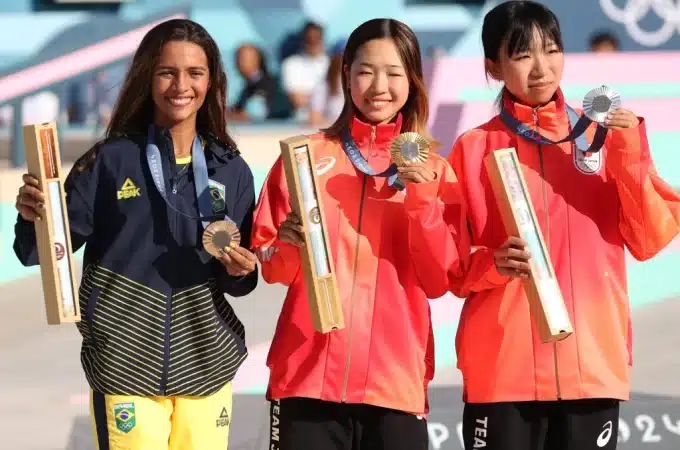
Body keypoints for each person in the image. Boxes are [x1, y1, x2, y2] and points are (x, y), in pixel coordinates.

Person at [13, 19, 258, 450]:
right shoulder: (110, 161)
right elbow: (41, 251)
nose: (180, 85)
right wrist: (34, 214)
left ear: (212, 81)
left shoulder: (229, 168)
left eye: (195, 73)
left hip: (206, 364)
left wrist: (241, 269)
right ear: (147, 77)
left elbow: (239, 282)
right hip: (125, 365)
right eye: (167, 72)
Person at [447, 2, 680, 450]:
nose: (541, 68)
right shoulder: (473, 148)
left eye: (552, 51)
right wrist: (492, 264)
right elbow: (448, 266)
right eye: (521, 55)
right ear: (492, 66)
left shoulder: (604, 136)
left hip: (590, 364)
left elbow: (650, 239)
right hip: (502, 368)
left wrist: (628, 155)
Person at [251, 18, 467, 450]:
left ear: (413, 80)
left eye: (394, 73)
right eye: (366, 71)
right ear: (346, 74)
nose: (379, 86)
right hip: (306, 380)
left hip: (394, 383)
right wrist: (290, 247)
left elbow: (440, 279)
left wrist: (422, 199)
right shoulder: (304, 158)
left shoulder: (434, 171)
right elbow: (272, 267)